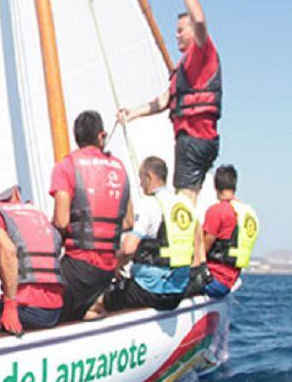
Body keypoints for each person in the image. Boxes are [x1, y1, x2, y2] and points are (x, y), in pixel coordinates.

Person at [117, 0, 221, 203]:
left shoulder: (202, 53)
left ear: (192, 32)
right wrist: (131, 114)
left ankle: (186, 241)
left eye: (180, 31)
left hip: (194, 137)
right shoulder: (184, 70)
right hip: (197, 138)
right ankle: (192, 239)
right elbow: (164, 101)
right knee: (187, 199)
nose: (176, 35)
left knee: (184, 201)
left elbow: (200, 20)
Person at [50, 110, 133, 321]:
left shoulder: (66, 166)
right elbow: (129, 221)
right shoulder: (119, 168)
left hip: (79, 266)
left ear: (76, 137)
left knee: (43, 305)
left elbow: (61, 221)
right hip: (109, 267)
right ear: (101, 136)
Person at [96, 156, 195, 314]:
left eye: (141, 178)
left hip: (151, 290)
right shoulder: (185, 204)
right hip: (178, 290)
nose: (141, 184)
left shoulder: (148, 203)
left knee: (95, 304)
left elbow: (128, 249)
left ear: (150, 176)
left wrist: (110, 267)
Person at [0, 181, 65, 338]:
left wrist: (10, 306)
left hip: (26, 307)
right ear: (16, 193)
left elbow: (8, 251)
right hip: (55, 308)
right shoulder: (37, 213)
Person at [202, 164, 259, 298]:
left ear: (215, 186)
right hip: (231, 280)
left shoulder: (217, 211)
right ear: (235, 186)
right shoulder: (248, 213)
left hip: (214, 281)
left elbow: (202, 250)